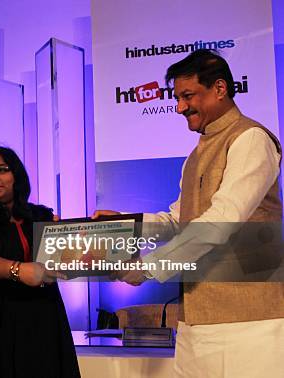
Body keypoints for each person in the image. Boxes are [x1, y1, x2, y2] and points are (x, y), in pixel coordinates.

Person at [94, 49, 284, 377]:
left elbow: (219, 223)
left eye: (187, 96)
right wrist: (123, 225)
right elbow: (176, 221)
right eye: (177, 98)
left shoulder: (251, 139)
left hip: (250, 322)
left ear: (220, 88)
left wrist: (149, 269)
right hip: (196, 321)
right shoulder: (195, 154)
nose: (180, 107)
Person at [0, 146, 81, 378]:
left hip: (41, 321)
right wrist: (18, 270)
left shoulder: (40, 216)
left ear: (16, 175)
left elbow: (71, 255)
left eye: (2, 170)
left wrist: (106, 228)